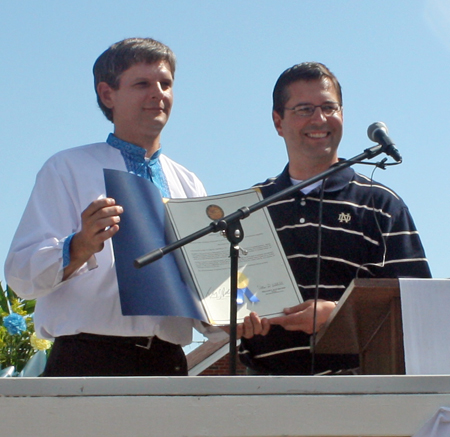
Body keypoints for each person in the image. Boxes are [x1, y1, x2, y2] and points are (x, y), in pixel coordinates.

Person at [5, 37, 225, 377]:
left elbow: (203, 290)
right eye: (142, 84)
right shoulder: (67, 168)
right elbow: (21, 274)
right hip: (88, 360)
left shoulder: (188, 182)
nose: (158, 93)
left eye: (165, 84)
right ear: (108, 94)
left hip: (168, 364)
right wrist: (78, 247)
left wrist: (244, 313)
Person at [238, 62, 431, 375]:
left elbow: (420, 309)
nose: (320, 119)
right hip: (262, 397)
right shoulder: (248, 207)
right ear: (278, 121)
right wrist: (232, 318)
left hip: (360, 401)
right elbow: (230, 294)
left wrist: (338, 316)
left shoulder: (383, 206)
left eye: (329, 107)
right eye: (304, 109)